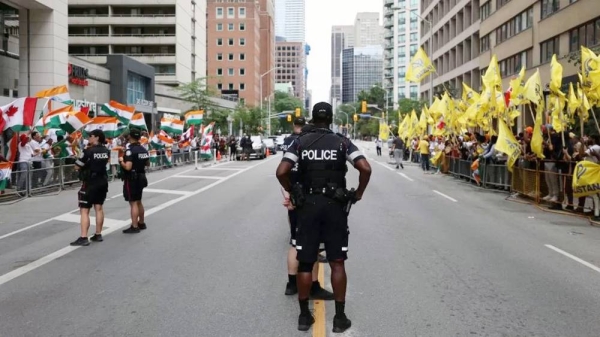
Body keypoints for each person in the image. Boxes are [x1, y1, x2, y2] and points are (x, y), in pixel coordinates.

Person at [276, 102, 372, 333]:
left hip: (307, 206)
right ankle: (339, 318)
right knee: (337, 262)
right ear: (330, 118)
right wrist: (358, 193)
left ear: (311, 118)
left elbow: (281, 172)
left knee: (306, 261)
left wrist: (293, 191)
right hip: (334, 207)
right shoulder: (342, 142)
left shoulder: (300, 142)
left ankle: (303, 316)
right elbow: (365, 168)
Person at [281, 117, 334, 301]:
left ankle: (291, 283)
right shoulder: (307, 150)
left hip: (294, 198)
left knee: (295, 243)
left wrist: (289, 194)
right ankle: (313, 285)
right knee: (315, 247)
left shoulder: (291, 146)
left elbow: (282, 172)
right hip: (308, 202)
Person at [70, 130, 110, 246]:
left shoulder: (88, 151)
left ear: (97, 137)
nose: (89, 138)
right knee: (99, 208)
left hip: (90, 182)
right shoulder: (106, 150)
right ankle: (98, 234)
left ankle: (83, 237)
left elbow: (77, 166)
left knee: (84, 210)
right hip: (102, 180)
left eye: (90, 136)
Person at [119, 128, 150, 234]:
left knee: (133, 203)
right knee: (139, 201)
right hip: (141, 176)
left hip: (132, 177)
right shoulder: (143, 149)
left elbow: (128, 167)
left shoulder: (129, 150)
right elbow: (148, 163)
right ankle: (141, 222)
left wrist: (121, 161)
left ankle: (134, 226)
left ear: (130, 137)